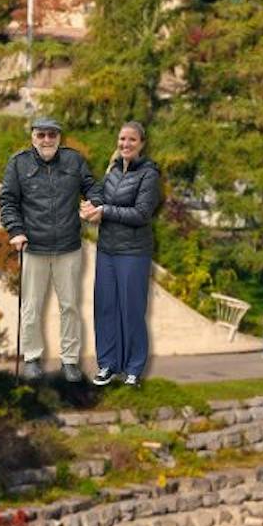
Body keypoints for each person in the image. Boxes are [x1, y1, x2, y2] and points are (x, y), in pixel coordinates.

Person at [0, 116, 93, 384]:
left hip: (68, 247)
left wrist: (93, 203)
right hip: (33, 246)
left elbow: (92, 187)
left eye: (52, 135)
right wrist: (16, 231)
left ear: (59, 137)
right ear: (33, 137)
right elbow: (7, 201)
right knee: (31, 307)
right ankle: (31, 358)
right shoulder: (18, 163)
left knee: (70, 306)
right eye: (41, 135)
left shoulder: (74, 161)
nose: (47, 140)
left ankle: (70, 361)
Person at [85, 121, 163, 388]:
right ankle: (108, 364)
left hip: (133, 252)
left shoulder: (149, 175)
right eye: (122, 139)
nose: (125, 144)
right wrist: (91, 206)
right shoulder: (113, 170)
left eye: (131, 139)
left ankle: (133, 368)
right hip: (107, 250)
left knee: (131, 310)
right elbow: (99, 195)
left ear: (142, 144)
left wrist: (105, 211)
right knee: (105, 308)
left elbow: (141, 213)